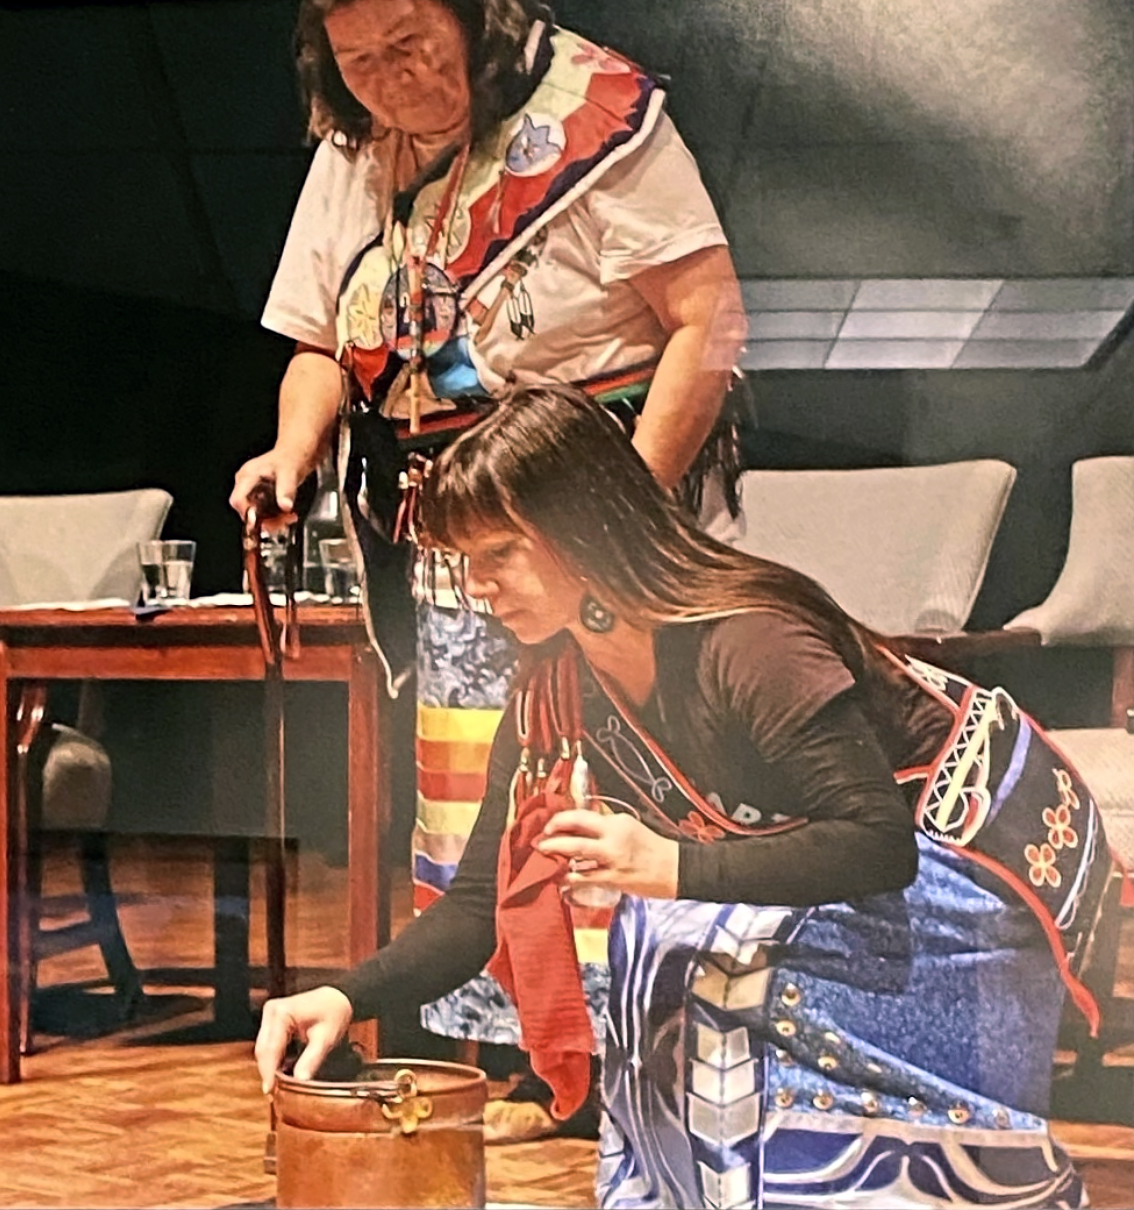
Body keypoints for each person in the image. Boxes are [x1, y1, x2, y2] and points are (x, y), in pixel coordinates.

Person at [256, 384, 1116, 1209]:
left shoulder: (749, 638)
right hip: (848, 865)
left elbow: (873, 842)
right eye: (464, 563)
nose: (476, 589)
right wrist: (345, 997)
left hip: (971, 869)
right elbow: (480, 898)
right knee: (657, 938)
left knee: (693, 941)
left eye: (499, 556)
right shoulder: (558, 682)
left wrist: (667, 863)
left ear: (581, 529)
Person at [229, 0, 746, 1137]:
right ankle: (531, 1062)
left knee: (607, 777)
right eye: (358, 61)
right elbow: (321, 338)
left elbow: (706, 317)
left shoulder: (594, 114)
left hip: (598, 493)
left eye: (411, 44)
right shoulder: (357, 149)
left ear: (480, 21)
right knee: (480, 786)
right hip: (452, 518)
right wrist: (291, 448)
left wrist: (624, 521)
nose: (389, 79)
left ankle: (633, 1058)